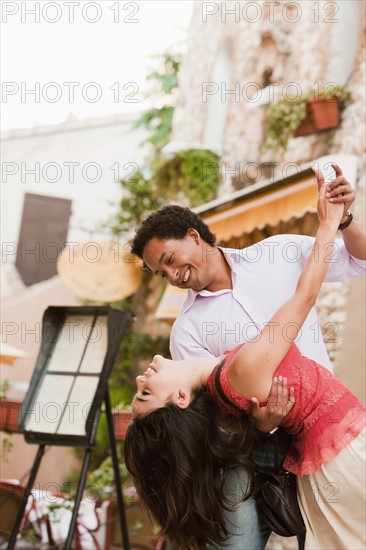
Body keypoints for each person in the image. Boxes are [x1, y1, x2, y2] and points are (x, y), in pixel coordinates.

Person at [128, 163, 366, 549]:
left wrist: (345, 219)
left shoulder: (277, 251)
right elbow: (203, 419)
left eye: (170, 260)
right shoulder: (186, 332)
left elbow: (359, 260)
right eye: (161, 273)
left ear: (194, 235)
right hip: (267, 453)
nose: (171, 277)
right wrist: (261, 424)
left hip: (333, 432)